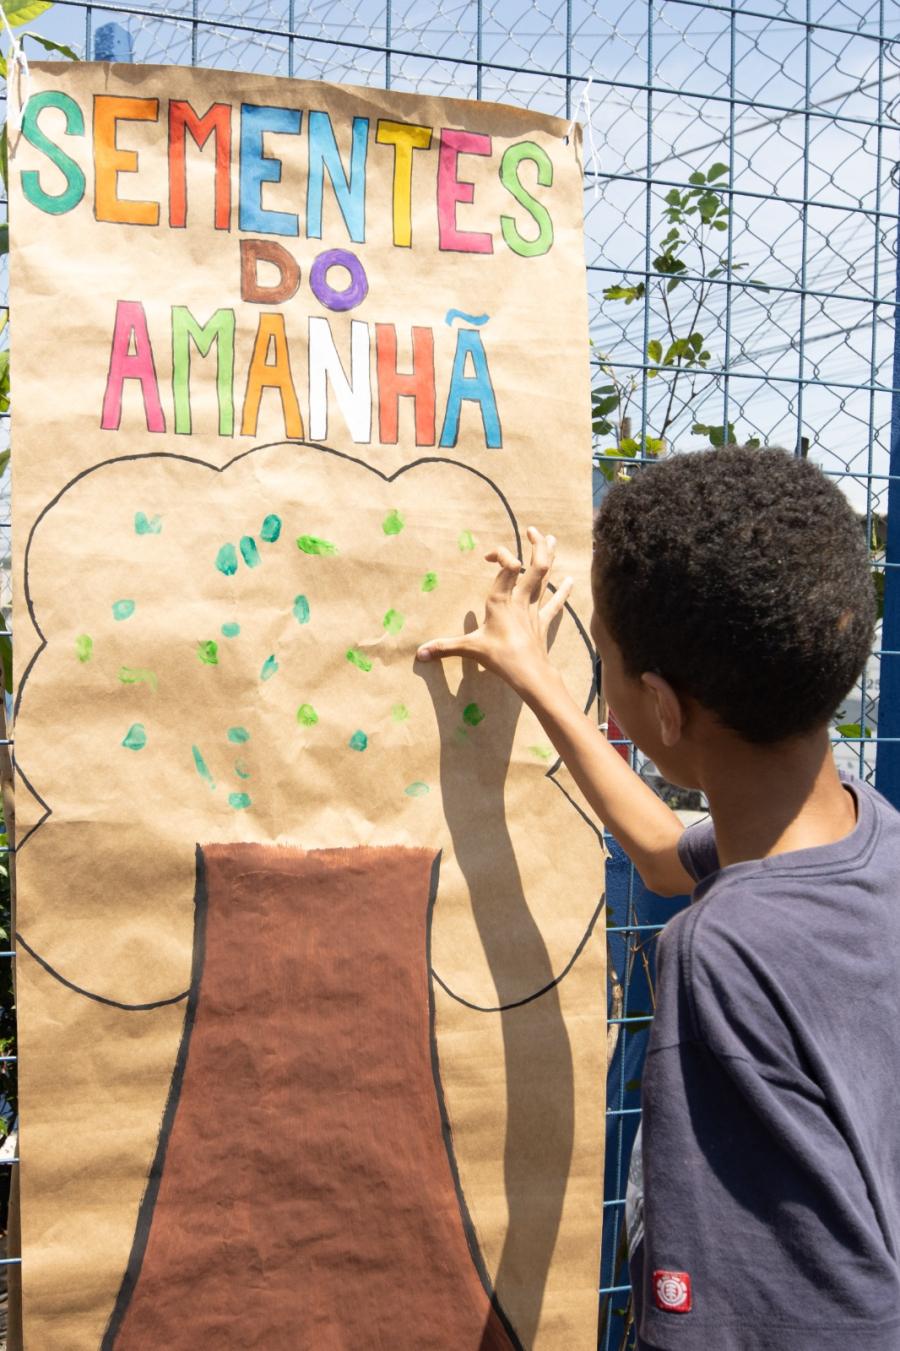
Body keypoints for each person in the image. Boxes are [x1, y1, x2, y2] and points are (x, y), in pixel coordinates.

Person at [416, 444, 900, 1350]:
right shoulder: (865, 839)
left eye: (604, 660)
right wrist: (539, 677)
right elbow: (663, 850)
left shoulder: (719, 954)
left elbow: (717, 1313)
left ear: (664, 711)